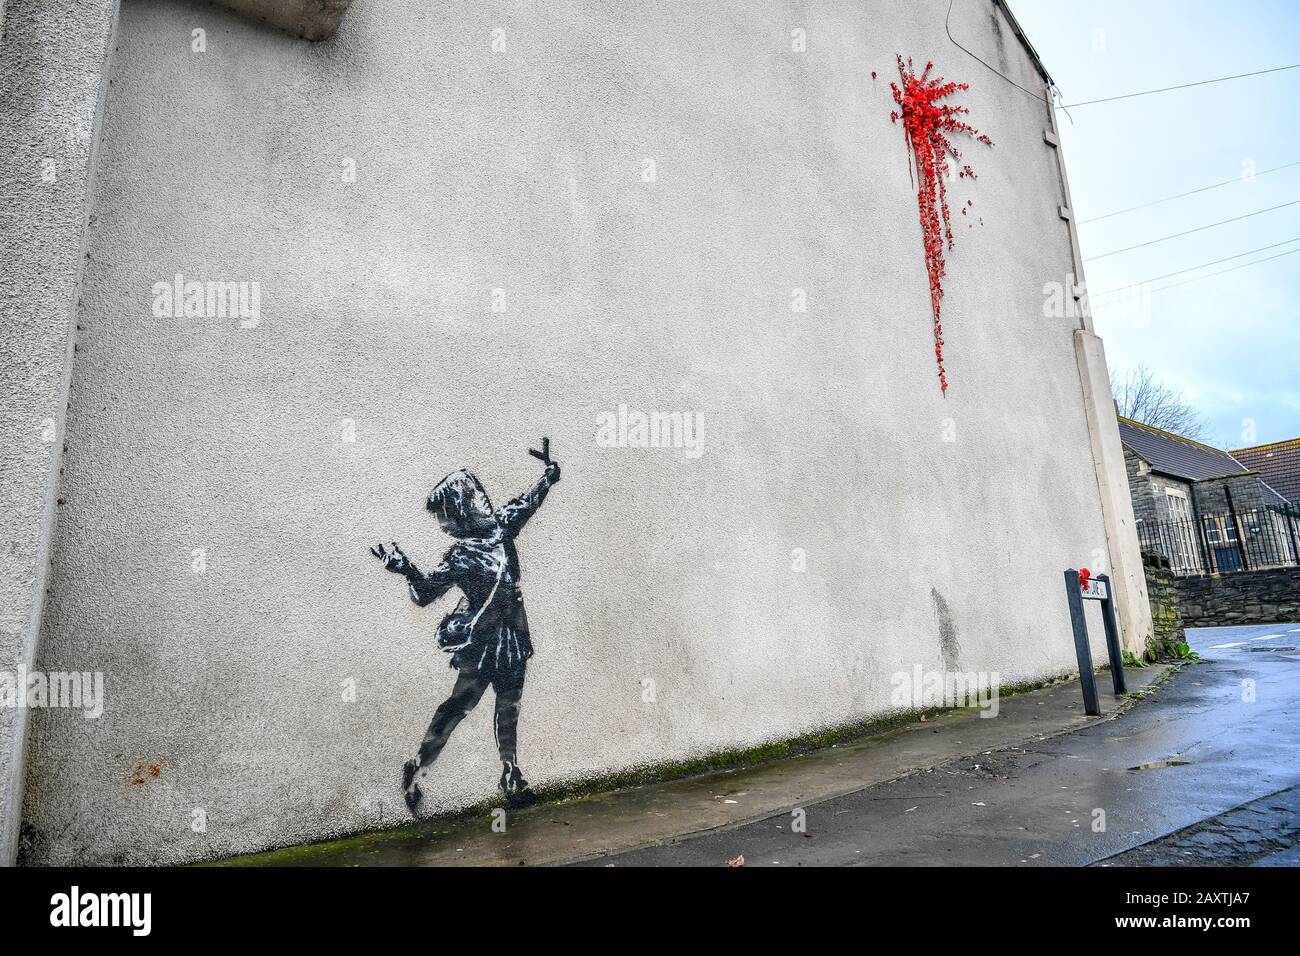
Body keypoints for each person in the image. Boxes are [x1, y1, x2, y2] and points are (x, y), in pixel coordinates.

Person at [372, 451, 560, 812]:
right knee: (460, 704)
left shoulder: (499, 527)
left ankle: (510, 771)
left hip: (510, 635)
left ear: (461, 508)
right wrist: (406, 569)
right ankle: (419, 765)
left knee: (509, 705)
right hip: (483, 639)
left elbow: (530, 501)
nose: (444, 525)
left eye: (444, 516)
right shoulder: (465, 551)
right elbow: (425, 593)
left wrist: (549, 474)